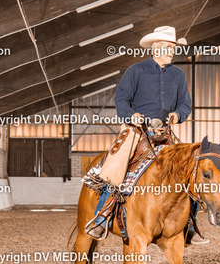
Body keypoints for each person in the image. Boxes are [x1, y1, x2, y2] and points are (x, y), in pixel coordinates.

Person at [85, 26, 208, 245]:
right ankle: (101, 217)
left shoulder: (178, 75)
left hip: (165, 133)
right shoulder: (136, 71)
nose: (171, 51)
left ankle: (189, 224)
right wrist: (132, 116)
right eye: (168, 47)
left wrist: (177, 115)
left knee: (190, 168)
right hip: (136, 131)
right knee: (116, 167)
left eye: (173, 47)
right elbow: (121, 99)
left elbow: (185, 104)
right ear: (155, 47)